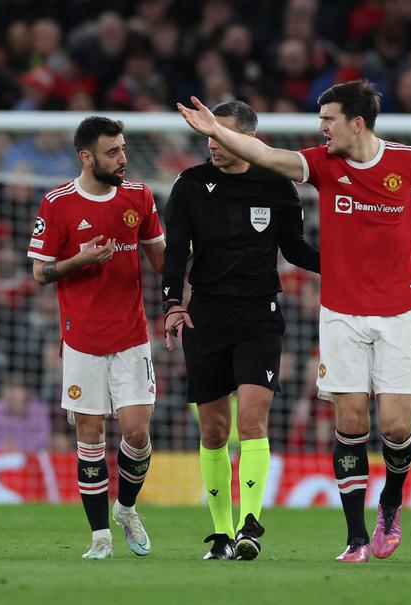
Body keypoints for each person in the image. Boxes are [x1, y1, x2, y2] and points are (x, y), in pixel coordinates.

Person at [178, 80, 411, 563]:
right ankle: (356, 538)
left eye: (328, 120)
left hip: (401, 314)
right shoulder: (322, 164)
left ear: (356, 123)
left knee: (397, 428)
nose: (320, 128)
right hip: (341, 315)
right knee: (350, 420)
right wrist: (217, 131)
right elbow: (268, 155)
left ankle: (391, 503)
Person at [162, 100, 320, 561]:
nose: (212, 143)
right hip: (206, 316)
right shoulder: (190, 184)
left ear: (248, 138)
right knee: (214, 431)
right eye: (208, 136)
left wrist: (341, 266)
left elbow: (293, 248)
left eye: (221, 134)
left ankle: (251, 525)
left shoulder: (276, 182)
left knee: (251, 420)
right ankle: (222, 532)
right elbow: (175, 252)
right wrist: (173, 303)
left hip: (258, 316)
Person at [27, 116, 165, 560]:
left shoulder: (139, 197)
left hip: (131, 337)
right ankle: (100, 537)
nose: (123, 159)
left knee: (137, 433)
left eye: (123, 149)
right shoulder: (57, 203)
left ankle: (126, 508)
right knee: (90, 438)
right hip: (81, 341)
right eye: (112, 152)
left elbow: (163, 262)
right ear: (86, 157)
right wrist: (79, 260)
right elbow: (40, 273)